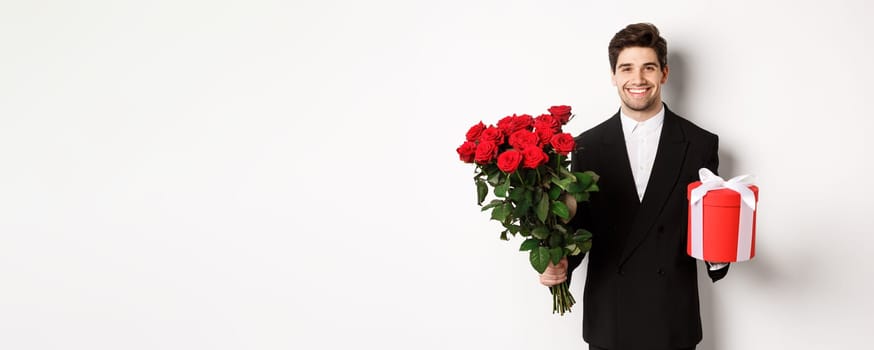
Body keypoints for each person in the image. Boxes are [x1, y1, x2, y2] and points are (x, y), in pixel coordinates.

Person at [540, 23, 729, 350]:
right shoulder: (586, 146)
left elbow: (707, 229)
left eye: (649, 68)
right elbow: (580, 226)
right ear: (613, 75)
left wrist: (721, 250)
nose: (638, 79)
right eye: (627, 68)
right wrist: (558, 264)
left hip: (671, 319)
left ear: (664, 74)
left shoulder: (699, 144)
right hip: (610, 318)